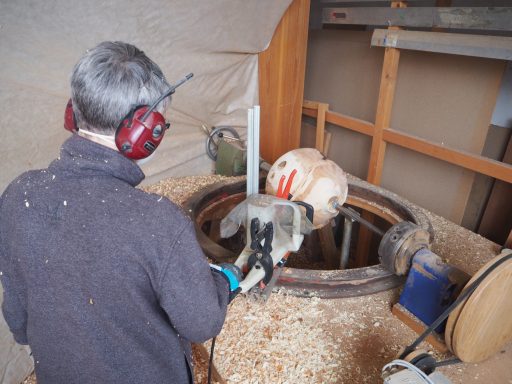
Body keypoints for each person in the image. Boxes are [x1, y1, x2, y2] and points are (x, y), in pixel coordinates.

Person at [0, 41, 240, 384]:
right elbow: (201, 323)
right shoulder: (157, 220)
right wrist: (222, 281)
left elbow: (19, 318)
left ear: (74, 111)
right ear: (144, 132)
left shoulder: (18, 194)